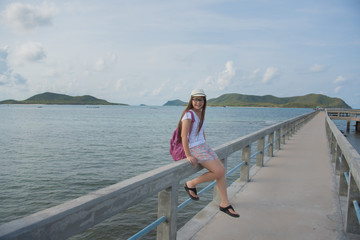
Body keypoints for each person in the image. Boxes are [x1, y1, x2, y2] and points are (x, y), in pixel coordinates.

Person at [177, 88, 240, 218]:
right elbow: (184, 136)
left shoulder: (200, 113)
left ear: (204, 101)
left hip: (203, 146)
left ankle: (225, 203)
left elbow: (201, 131)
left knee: (221, 171)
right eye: (195, 99)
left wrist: (205, 144)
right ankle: (191, 184)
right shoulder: (188, 114)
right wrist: (188, 155)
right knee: (219, 171)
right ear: (191, 100)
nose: (198, 102)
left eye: (200, 100)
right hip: (195, 148)